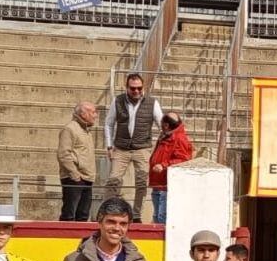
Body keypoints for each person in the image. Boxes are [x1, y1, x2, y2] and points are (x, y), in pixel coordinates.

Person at [103, 73, 164, 223]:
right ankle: (108, 212)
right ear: (127, 88)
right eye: (132, 88)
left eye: (139, 88)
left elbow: (162, 126)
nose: (136, 91)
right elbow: (109, 124)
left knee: (142, 182)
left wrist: (159, 148)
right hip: (121, 147)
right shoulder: (118, 101)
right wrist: (109, 146)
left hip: (142, 148)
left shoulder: (152, 103)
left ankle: (136, 215)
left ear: (143, 87)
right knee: (113, 180)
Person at [148, 112, 193, 224]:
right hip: (158, 183)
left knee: (162, 217)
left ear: (167, 125)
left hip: (166, 186)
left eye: (162, 123)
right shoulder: (166, 136)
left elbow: (183, 160)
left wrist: (163, 165)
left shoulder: (179, 139)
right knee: (157, 216)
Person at [58, 102, 98, 222]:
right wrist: (75, 175)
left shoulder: (87, 131)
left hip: (87, 178)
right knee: (69, 215)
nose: (95, 115)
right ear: (83, 114)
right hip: (74, 178)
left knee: (83, 216)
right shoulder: (70, 129)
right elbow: (63, 154)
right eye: (93, 112)